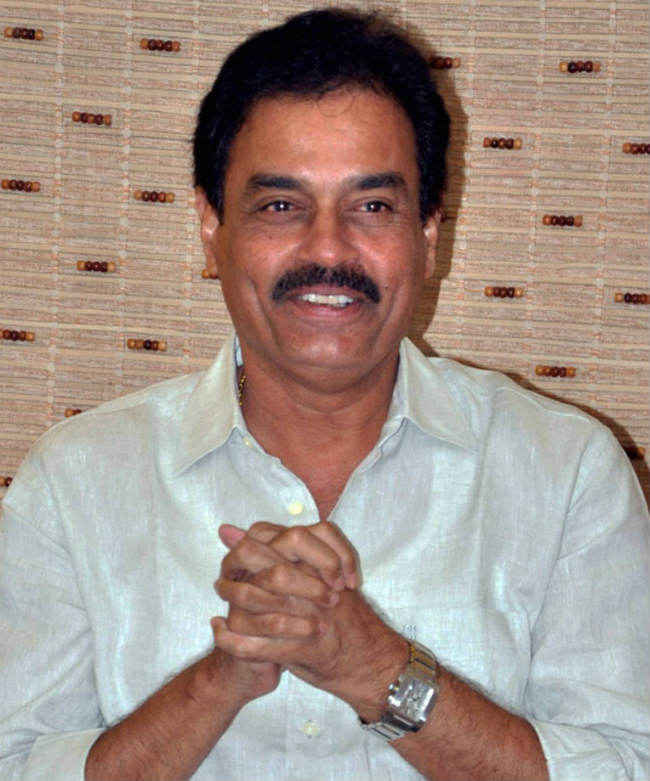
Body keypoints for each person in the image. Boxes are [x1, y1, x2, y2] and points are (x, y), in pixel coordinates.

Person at [1, 7, 648, 780]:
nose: (329, 249)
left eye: (372, 206)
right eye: (281, 206)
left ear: (428, 235)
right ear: (210, 227)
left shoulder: (568, 471)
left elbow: (628, 764)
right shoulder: (75, 480)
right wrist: (223, 677)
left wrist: (377, 669)